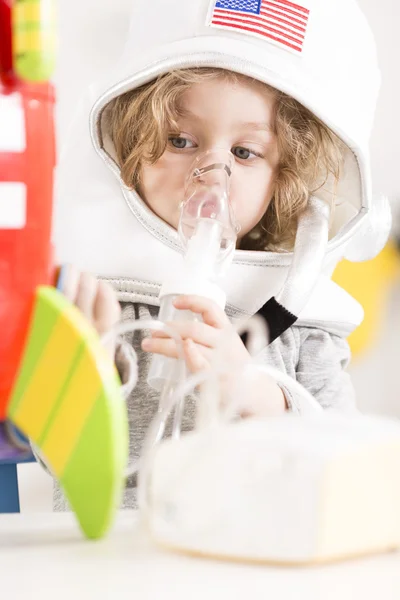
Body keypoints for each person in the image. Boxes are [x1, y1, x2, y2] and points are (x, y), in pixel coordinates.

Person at [53, 0, 389, 508]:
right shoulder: (101, 301)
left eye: (244, 152)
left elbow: (344, 463)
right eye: (182, 139)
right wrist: (88, 371)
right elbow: (53, 456)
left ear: (287, 175)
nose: (210, 176)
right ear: (132, 140)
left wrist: (258, 396)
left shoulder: (302, 329)